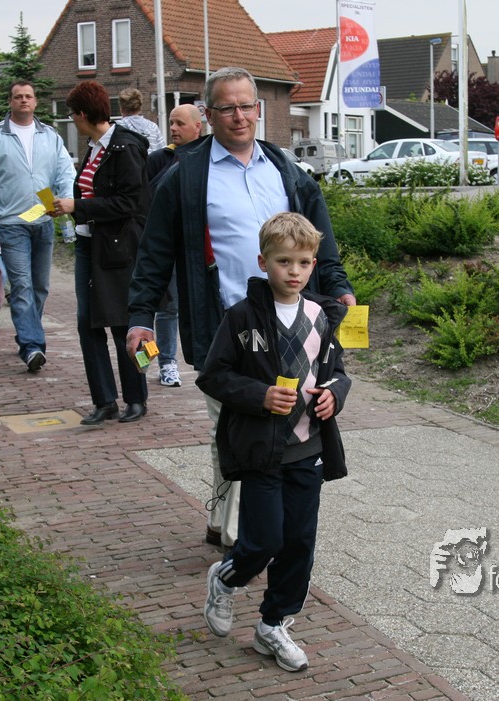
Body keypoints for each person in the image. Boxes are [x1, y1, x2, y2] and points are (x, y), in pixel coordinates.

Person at [127, 67, 356, 552]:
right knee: (234, 426)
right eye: (227, 107)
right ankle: (241, 540)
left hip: (290, 323)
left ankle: (223, 521)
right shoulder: (185, 177)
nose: (239, 116)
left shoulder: (286, 170)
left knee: (263, 425)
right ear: (209, 114)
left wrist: (338, 288)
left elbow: (321, 241)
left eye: (247, 106)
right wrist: (141, 316)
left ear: (258, 109)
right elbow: (154, 253)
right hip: (225, 326)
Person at [195, 211, 350, 673]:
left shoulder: (322, 315)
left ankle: (273, 624)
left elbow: (337, 372)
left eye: (303, 262)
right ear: (264, 263)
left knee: (299, 542)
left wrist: (334, 395)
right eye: (284, 262)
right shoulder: (242, 317)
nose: (294, 272)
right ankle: (226, 579)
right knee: (263, 540)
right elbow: (214, 376)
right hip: (262, 450)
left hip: (308, 449)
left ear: (314, 264)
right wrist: (260, 395)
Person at [52, 80, 150, 424]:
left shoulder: (125, 147)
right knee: (87, 322)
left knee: (124, 324)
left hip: (118, 248)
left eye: (72, 113)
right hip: (88, 244)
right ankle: (104, 400)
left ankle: (137, 397)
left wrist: (77, 206)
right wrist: (70, 208)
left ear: (82, 114)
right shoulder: (94, 147)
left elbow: (130, 203)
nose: (71, 119)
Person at [0, 80, 75, 373]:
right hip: (11, 221)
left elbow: (65, 171)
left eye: (28, 96)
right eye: (18, 97)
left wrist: (66, 203)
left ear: (35, 101)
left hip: (43, 218)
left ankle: (28, 334)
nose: (24, 100)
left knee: (40, 286)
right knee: (22, 285)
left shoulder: (50, 135)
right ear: (10, 101)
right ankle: (32, 346)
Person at [144, 104, 204, 388]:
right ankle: (166, 363)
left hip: (198, 249)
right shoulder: (159, 160)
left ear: (197, 127)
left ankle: (210, 362)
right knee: (166, 307)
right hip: (166, 247)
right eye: (171, 123)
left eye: (179, 123)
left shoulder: (209, 158)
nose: (173, 129)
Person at [117, 87, 165, 153]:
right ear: (140, 108)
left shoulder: (117, 127)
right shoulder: (153, 127)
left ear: (121, 108)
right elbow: (163, 153)